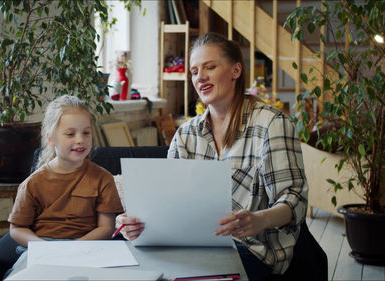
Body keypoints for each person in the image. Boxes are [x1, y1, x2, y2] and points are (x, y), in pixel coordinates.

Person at [116, 33, 308, 281]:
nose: (200, 77)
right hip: (186, 247)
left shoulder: (271, 123)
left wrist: (259, 220)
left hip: (249, 250)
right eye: (194, 71)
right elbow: (168, 203)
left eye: (210, 67)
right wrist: (136, 222)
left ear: (235, 70)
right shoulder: (185, 134)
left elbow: (295, 200)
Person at [5, 95, 124, 276]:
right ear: (51, 138)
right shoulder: (33, 183)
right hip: (42, 250)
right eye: (70, 134)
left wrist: (73, 249)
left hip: (89, 249)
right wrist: (45, 248)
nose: (80, 140)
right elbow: (17, 229)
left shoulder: (103, 179)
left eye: (86, 132)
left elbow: (106, 228)